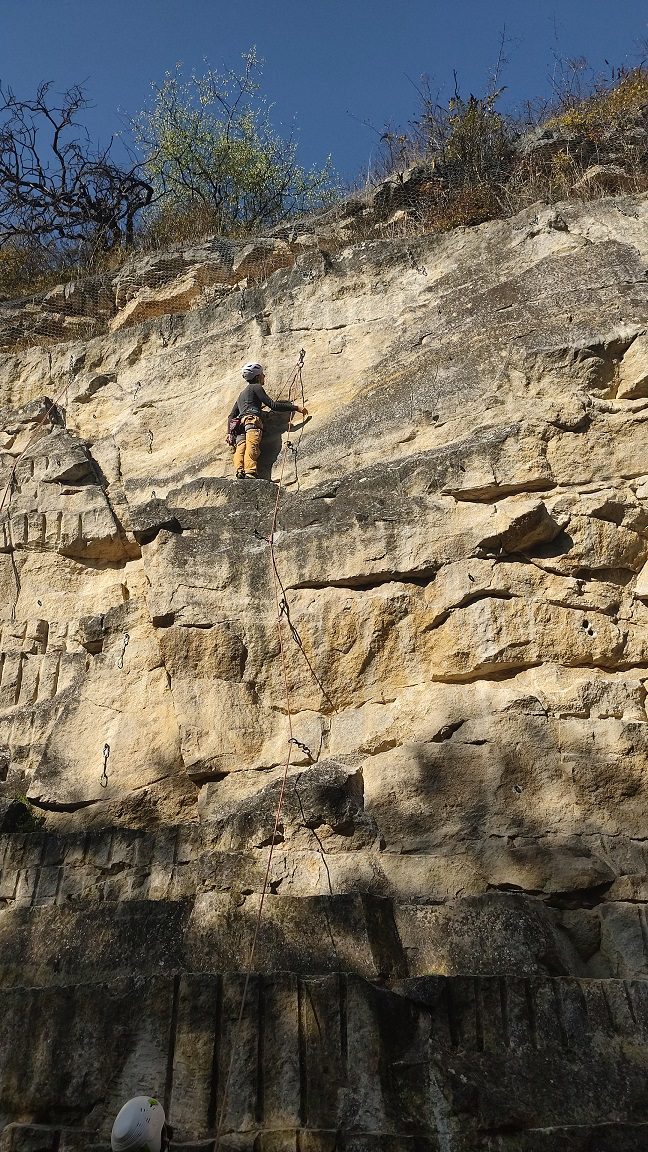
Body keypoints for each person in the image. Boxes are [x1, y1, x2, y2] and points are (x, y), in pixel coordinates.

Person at [228, 361, 307, 479]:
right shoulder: (256, 387)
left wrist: (229, 433)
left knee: (241, 446)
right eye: (262, 374)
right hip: (252, 421)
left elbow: (231, 416)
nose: (264, 376)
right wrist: (296, 408)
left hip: (240, 426)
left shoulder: (241, 394)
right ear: (258, 376)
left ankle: (239, 470)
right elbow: (273, 405)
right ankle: (249, 471)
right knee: (252, 444)